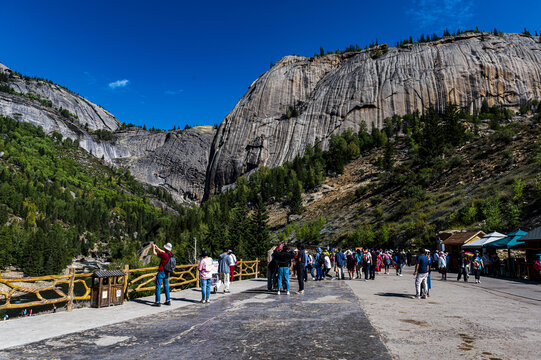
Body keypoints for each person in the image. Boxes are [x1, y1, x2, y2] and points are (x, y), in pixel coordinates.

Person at [152, 242, 173, 307]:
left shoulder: (164, 255)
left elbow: (154, 253)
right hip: (166, 272)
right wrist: (158, 248)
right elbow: (164, 252)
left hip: (161, 271)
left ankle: (157, 302)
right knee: (166, 286)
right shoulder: (170, 254)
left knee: (158, 287)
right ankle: (168, 300)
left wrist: (153, 247)